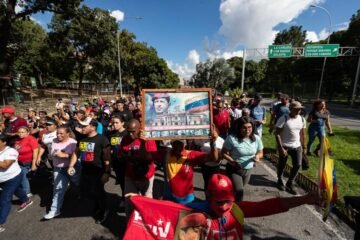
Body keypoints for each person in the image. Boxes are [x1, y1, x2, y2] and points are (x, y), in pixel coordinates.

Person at [124, 174, 321, 239]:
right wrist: (139, 200)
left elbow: (270, 206)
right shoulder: (193, 210)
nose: (226, 206)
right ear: (208, 196)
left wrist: (304, 199)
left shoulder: (237, 209)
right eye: (220, 202)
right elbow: (166, 209)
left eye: (229, 200)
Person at [155, 126, 218, 205]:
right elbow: (147, 155)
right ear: (172, 144)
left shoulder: (191, 154)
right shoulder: (166, 154)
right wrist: (142, 141)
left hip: (187, 199)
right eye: (175, 143)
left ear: (184, 144)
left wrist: (213, 143)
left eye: (180, 144)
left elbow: (213, 158)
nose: (178, 146)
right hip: (169, 197)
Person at [118, 119, 157, 218]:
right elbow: (121, 154)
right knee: (129, 201)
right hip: (130, 175)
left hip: (146, 175)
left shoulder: (148, 139)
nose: (131, 134)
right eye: (129, 131)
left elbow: (151, 157)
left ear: (139, 129)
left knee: (147, 201)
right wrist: (127, 157)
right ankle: (130, 225)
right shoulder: (125, 139)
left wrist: (143, 144)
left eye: (133, 131)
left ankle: (147, 223)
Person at [77, 117, 111, 224]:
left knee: (99, 192)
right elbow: (76, 153)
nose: (81, 128)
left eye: (84, 126)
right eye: (81, 125)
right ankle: (97, 205)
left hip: (98, 171)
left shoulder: (102, 139)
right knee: (89, 191)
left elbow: (107, 158)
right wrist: (71, 165)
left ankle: (104, 210)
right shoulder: (82, 140)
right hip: (85, 171)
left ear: (93, 127)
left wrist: (107, 173)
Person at [221, 116, 263, 201]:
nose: (247, 130)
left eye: (249, 127)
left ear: (253, 127)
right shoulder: (232, 138)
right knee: (239, 191)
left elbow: (261, 152)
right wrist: (232, 161)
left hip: (248, 170)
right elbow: (223, 153)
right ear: (239, 128)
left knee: (237, 190)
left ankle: (229, 200)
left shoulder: (256, 138)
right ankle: (238, 210)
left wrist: (257, 156)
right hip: (234, 169)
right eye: (244, 128)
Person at [43, 125, 80, 220]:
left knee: (77, 183)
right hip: (58, 169)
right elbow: (52, 152)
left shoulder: (73, 143)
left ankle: (82, 194)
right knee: (58, 189)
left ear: (68, 133)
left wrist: (64, 155)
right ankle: (54, 210)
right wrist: (55, 154)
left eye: (61, 133)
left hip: (72, 168)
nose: (58, 135)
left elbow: (76, 156)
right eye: (57, 133)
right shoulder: (54, 140)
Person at [0, 134, 33, 233]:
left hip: (12, 177)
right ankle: (26, 200)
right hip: (2, 180)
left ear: (4, 142)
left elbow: (5, 165)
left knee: (5, 199)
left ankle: (1, 223)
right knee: (17, 190)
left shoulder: (11, 151)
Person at [275, 101, 306, 195]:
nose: (298, 111)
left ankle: (290, 182)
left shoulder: (302, 119)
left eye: (300, 109)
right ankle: (280, 179)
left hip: (297, 146)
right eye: (296, 109)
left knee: (298, 165)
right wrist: (281, 148)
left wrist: (304, 146)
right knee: (282, 165)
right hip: (285, 146)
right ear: (290, 109)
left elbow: (302, 134)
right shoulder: (283, 118)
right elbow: (277, 134)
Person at [108, 115, 128, 209]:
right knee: (122, 182)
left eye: (117, 123)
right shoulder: (112, 135)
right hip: (116, 163)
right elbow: (110, 148)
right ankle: (124, 198)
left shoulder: (128, 134)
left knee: (129, 183)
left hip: (127, 163)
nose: (114, 125)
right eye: (113, 123)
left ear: (122, 123)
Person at [14, 126, 39, 196]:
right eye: (19, 132)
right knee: (23, 177)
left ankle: (29, 191)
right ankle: (27, 192)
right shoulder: (17, 140)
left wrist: (34, 163)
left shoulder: (31, 139)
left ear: (27, 133)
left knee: (28, 176)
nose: (20, 134)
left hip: (29, 162)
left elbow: (35, 151)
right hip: (20, 162)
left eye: (22, 132)